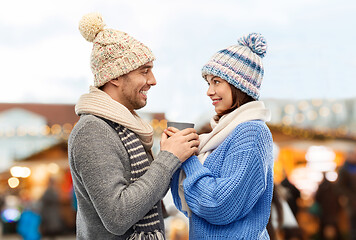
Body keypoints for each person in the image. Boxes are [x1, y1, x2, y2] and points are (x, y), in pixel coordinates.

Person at [68, 13, 199, 240]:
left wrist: (169, 156)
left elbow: (144, 196)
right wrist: (167, 159)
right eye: (144, 71)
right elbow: (118, 216)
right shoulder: (92, 131)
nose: (153, 80)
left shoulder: (126, 127)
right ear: (115, 77)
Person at [168, 33, 274, 239]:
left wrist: (188, 158)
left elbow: (220, 205)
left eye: (216, 82)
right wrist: (172, 155)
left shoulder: (251, 133)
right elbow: (188, 204)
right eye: (208, 83)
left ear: (239, 85)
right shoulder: (220, 135)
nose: (209, 91)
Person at [336, 147, 356, 240]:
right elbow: (340, 187)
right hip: (352, 204)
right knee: (353, 228)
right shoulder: (344, 169)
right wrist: (351, 198)